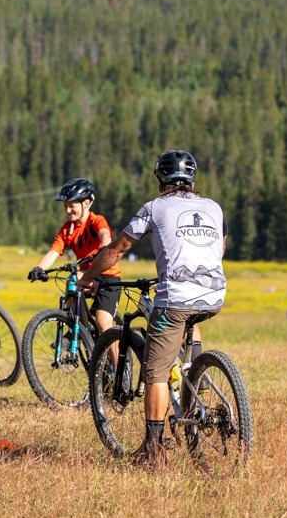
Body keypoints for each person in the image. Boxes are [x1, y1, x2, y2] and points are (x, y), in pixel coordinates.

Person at [80, 150, 226, 467]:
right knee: (189, 318)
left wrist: (88, 278)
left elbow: (117, 249)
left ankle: (153, 449)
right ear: (191, 179)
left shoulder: (154, 207)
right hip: (214, 295)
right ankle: (196, 373)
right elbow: (220, 246)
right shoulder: (213, 207)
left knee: (154, 372)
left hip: (175, 296)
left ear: (160, 179)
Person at [27, 177, 122, 341]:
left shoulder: (95, 221)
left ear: (86, 203)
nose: (68, 211)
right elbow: (53, 252)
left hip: (108, 276)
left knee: (103, 322)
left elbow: (105, 234)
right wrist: (39, 268)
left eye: (72, 206)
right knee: (72, 279)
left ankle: (119, 367)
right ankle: (76, 326)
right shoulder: (67, 229)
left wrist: (104, 247)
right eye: (65, 206)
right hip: (86, 276)